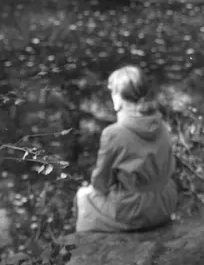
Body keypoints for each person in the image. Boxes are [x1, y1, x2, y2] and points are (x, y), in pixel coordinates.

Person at [75, 65, 178, 234]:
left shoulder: (114, 134)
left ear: (118, 97)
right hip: (164, 205)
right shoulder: (162, 126)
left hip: (134, 211)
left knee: (83, 197)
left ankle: (85, 252)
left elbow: (100, 183)